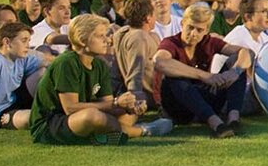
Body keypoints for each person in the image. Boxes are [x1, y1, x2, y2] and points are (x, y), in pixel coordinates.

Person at [31, 15, 170, 145]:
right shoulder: (66, 63)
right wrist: (115, 103)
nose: (107, 40)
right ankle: (142, 131)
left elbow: (106, 104)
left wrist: (128, 106)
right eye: (100, 36)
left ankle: (101, 137)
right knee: (92, 116)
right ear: (82, 39)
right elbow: (70, 108)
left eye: (106, 36)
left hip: (80, 118)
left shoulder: (99, 64)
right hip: (52, 123)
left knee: (126, 112)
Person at [155, 5, 252, 138]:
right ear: (182, 24)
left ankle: (233, 120)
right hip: (179, 105)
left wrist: (234, 72)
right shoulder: (171, 43)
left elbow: (246, 52)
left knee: (237, 65)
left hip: (204, 98)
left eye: (199, 30)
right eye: (190, 27)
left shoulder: (209, 42)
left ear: (206, 30)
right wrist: (205, 76)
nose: (194, 33)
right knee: (174, 78)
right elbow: (160, 62)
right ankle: (216, 124)